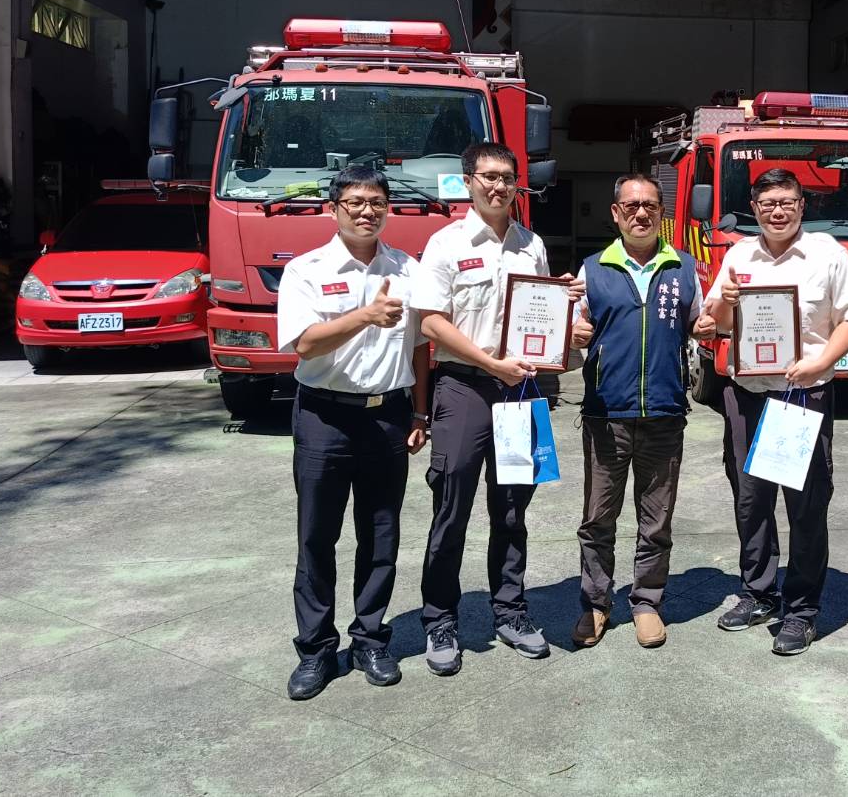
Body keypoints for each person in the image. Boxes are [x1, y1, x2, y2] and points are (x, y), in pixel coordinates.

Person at [408, 141, 573, 676]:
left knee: (511, 508)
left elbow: (540, 318)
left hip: (520, 391)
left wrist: (564, 312)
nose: (498, 186)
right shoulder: (445, 244)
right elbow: (432, 323)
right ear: (467, 181)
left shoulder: (532, 245)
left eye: (506, 177)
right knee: (451, 505)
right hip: (464, 388)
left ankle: (510, 610)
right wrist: (490, 362)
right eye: (487, 177)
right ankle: (440, 619)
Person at [275, 164, 429, 701]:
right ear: (334, 208)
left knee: (381, 533)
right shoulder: (307, 270)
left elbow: (419, 348)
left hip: (388, 415)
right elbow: (304, 344)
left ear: (389, 209)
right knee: (317, 536)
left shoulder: (408, 269)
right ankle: (316, 650)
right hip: (325, 417)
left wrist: (419, 413)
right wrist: (364, 315)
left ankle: (370, 638)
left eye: (377, 202)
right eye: (355, 202)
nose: (367, 211)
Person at [702, 167, 848, 656]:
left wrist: (821, 360)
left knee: (806, 507)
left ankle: (801, 609)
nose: (778, 210)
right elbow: (714, 325)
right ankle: (758, 592)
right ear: (755, 208)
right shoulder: (737, 255)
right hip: (747, 397)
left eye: (787, 201)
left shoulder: (827, 254)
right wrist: (727, 304)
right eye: (768, 202)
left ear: (801, 205)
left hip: (802, 397)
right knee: (751, 502)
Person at [567, 174, 714, 649]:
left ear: (661, 212)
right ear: (615, 213)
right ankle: (595, 602)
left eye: (650, 205)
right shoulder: (592, 269)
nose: (641, 213)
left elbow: (700, 325)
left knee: (657, 519)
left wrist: (716, 321)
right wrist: (572, 337)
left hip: (666, 414)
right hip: (606, 416)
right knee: (598, 518)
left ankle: (647, 601)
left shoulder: (683, 267)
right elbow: (571, 335)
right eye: (630, 206)